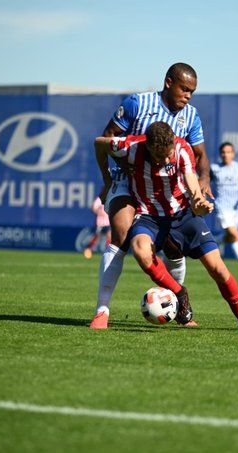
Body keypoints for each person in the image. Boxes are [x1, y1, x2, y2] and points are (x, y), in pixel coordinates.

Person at [93, 121, 238, 332]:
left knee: (218, 268)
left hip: (183, 215)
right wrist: (107, 178)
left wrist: (198, 202)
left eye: (168, 154)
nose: (167, 160)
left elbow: (192, 184)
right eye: (161, 156)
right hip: (149, 216)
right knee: (140, 249)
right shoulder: (130, 147)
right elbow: (99, 143)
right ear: (149, 147)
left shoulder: (181, 149)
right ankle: (179, 292)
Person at [90, 62, 212, 330]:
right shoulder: (137, 103)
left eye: (192, 91)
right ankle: (102, 311)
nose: (188, 96)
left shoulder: (191, 116)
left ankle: (181, 310)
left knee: (173, 248)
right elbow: (107, 139)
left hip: (167, 190)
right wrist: (109, 177)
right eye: (184, 89)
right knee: (121, 236)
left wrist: (203, 181)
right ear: (169, 82)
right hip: (128, 181)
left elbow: (200, 154)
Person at [210, 142, 238, 277]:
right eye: (223, 152)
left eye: (229, 152)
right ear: (220, 154)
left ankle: (220, 241)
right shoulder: (214, 168)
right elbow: (205, 180)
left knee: (232, 237)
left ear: (233, 154)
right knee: (235, 235)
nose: (226, 155)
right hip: (221, 207)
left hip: (235, 209)